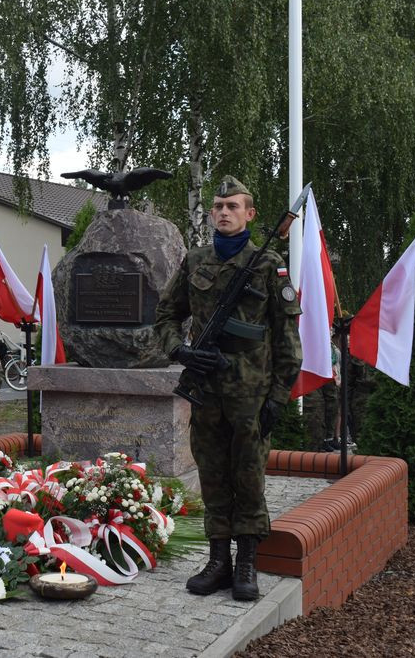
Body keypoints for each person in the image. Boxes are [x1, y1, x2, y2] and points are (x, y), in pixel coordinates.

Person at [154, 175, 301, 602]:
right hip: (206, 392)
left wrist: (278, 397)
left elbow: (288, 339)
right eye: (218, 205)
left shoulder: (269, 264)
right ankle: (218, 561)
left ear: (250, 213)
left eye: (233, 206)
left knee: (249, 477)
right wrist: (180, 352)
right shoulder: (196, 260)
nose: (223, 212)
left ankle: (247, 564)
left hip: (251, 397)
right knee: (212, 475)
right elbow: (165, 315)